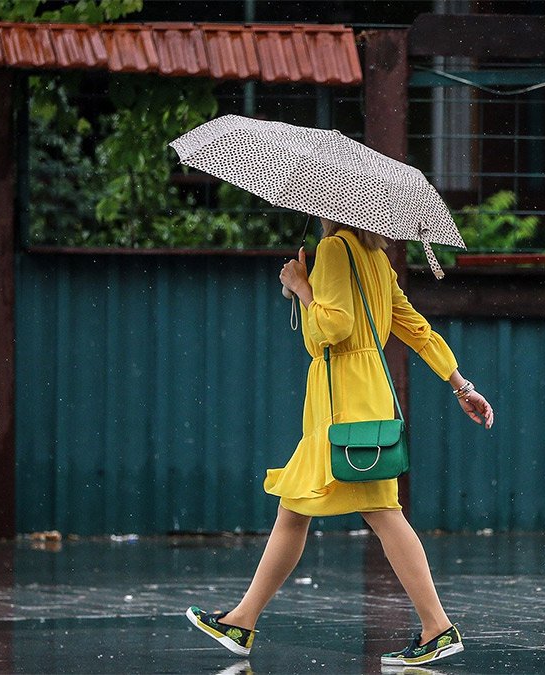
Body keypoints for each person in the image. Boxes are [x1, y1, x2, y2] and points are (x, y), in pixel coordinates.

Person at [187, 219, 494, 667]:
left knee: (378, 511)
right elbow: (416, 329)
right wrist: (461, 385)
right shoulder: (378, 258)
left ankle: (438, 627)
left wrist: (301, 286)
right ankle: (242, 620)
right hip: (362, 398)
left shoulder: (334, 250)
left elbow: (331, 329)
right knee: (298, 506)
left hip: (341, 401)